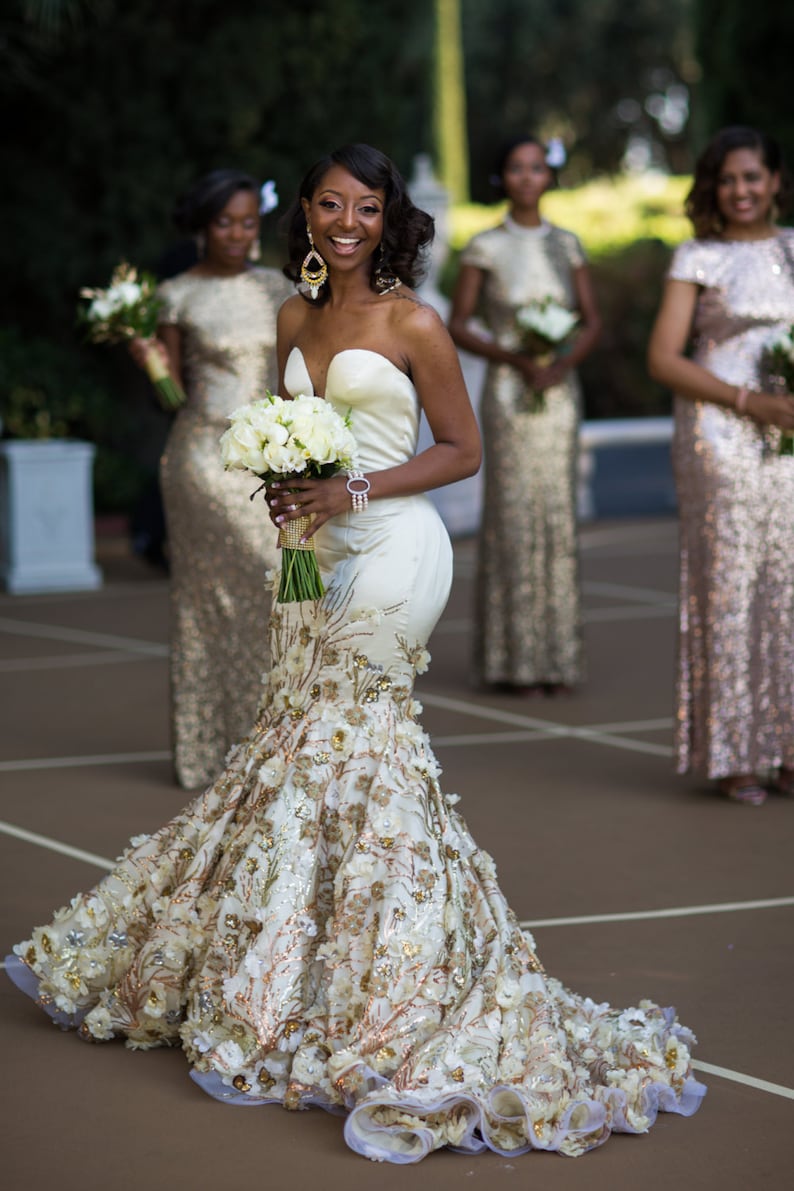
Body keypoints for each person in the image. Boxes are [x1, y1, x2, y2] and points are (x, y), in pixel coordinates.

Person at [7, 144, 703, 1163]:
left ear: (389, 220)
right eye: (328, 205)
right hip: (305, 550)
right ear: (310, 219)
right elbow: (289, 428)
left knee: (357, 733)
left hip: (396, 550)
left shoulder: (414, 320)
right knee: (292, 735)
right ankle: (292, 969)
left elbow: (460, 448)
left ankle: (403, 982)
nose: (343, 222)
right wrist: (285, 482)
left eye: (363, 208)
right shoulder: (291, 317)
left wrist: (356, 491)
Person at [132, 169, 294, 789]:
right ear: (203, 226)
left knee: (281, 589)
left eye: (247, 222)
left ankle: (268, 739)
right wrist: (146, 357)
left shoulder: (279, 289)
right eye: (224, 222)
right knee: (210, 601)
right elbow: (169, 395)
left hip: (271, 454)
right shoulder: (176, 294)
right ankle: (208, 744)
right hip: (202, 457)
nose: (236, 233)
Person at [648, 126, 794, 806]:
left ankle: (787, 745)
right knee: (732, 577)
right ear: (714, 187)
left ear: (776, 181)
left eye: (753, 177)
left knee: (787, 579)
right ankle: (738, 749)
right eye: (729, 179)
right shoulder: (698, 255)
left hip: (787, 430)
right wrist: (747, 400)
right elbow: (665, 357)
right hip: (721, 431)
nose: (742, 190)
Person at [449, 136, 601, 694]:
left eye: (537, 168)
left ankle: (557, 658)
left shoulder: (568, 244)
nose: (527, 177)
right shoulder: (484, 246)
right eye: (516, 167)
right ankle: (510, 659)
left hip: (558, 394)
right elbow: (459, 322)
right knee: (512, 513)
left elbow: (592, 320)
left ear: (548, 176)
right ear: (502, 177)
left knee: (556, 515)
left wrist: (560, 363)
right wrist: (515, 357)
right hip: (511, 394)